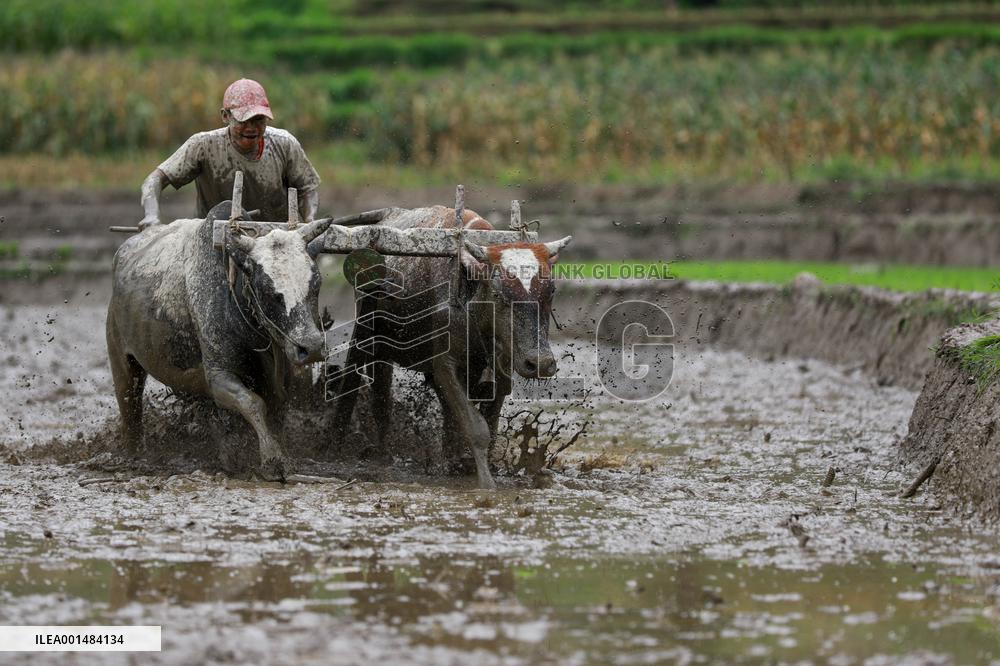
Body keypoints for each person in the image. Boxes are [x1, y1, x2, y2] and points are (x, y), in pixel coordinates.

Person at [139, 78, 320, 230]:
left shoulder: (284, 144)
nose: (251, 128)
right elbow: (154, 180)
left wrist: (309, 220)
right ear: (225, 116)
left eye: (258, 120)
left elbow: (308, 188)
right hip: (214, 236)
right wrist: (151, 215)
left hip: (274, 237)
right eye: (243, 120)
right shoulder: (204, 146)